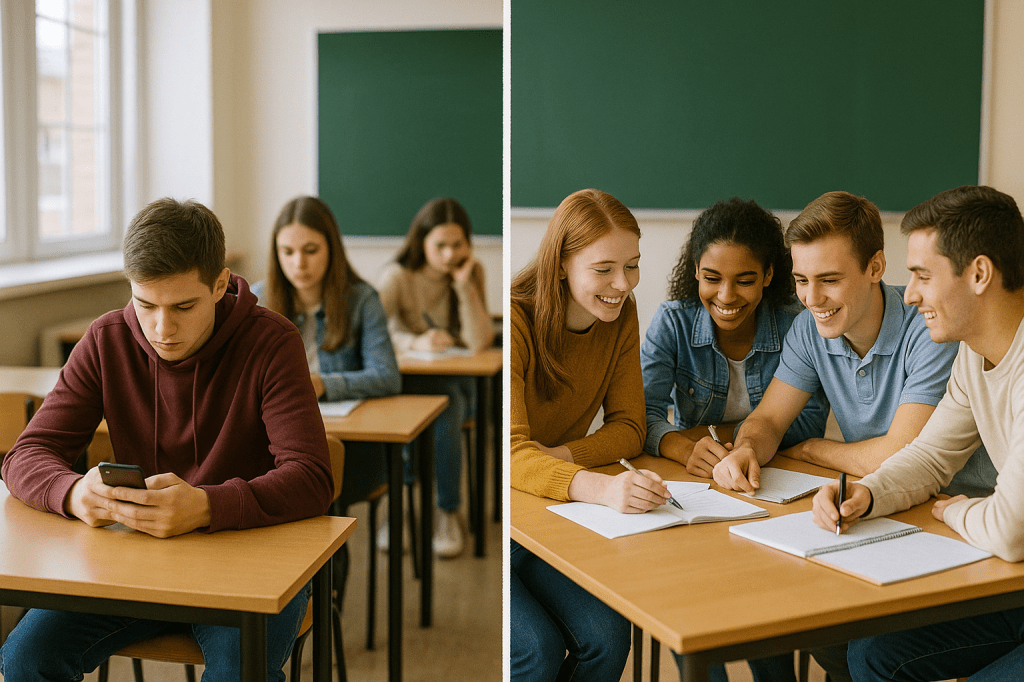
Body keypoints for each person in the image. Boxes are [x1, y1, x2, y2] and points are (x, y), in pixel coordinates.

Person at [0, 198, 334, 682]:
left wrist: (207, 506)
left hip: (249, 562)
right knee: (25, 660)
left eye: (183, 306)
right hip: (137, 562)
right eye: (145, 304)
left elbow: (312, 478)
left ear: (219, 284)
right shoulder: (107, 339)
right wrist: (72, 493)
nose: (162, 328)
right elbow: (25, 455)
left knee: (239, 675)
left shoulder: (272, 342)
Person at [709, 190, 996, 682]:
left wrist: (812, 448)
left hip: (955, 518)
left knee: (857, 643)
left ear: (875, 267)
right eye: (802, 280)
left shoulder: (933, 327)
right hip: (892, 507)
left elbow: (900, 453)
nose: (812, 299)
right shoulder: (810, 329)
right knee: (791, 604)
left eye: (829, 280)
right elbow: (768, 420)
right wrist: (747, 449)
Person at [803, 185, 1024, 681]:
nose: (910, 294)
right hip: (1016, 585)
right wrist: (867, 493)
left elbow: (1010, 532)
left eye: (924, 275)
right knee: (873, 655)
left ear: (980, 274)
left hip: (1015, 570)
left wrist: (956, 509)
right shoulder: (974, 352)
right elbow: (930, 456)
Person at [641, 197, 828, 682]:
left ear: (769, 275)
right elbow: (639, 417)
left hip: (773, 486)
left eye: (745, 280)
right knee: (690, 602)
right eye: (711, 278)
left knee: (766, 601)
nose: (726, 295)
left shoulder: (798, 322)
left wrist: (726, 436)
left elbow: (808, 420)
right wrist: (681, 447)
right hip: (698, 488)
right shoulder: (673, 321)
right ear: (695, 272)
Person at [510, 188, 669, 682]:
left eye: (632, 266)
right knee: (536, 650)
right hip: (506, 522)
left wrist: (557, 457)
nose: (622, 284)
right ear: (561, 264)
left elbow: (630, 428)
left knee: (607, 637)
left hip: (550, 515)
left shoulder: (620, 313)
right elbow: (508, 455)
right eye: (604, 270)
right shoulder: (516, 319)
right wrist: (599, 486)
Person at [251, 195, 401, 601]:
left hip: (350, 445)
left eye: (310, 250)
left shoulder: (361, 299)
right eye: (287, 252)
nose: (298, 263)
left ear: (331, 249)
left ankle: (324, 601)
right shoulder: (257, 299)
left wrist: (323, 384)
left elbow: (387, 376)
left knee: (320, 500)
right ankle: (274, 593)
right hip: (274, 442)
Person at [377, 196, 494, 558]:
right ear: (421, 241)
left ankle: (447, 513)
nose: (449, 254)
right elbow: (373, 332)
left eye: (457, 244)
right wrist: (414, 340)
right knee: (413, 408)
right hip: (409, 381)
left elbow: (479, 340)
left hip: (457, 382)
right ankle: (400, 509)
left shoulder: (471, 273)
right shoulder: (398, 276)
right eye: (440, 245)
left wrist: (464, 285)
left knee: (447, 405)